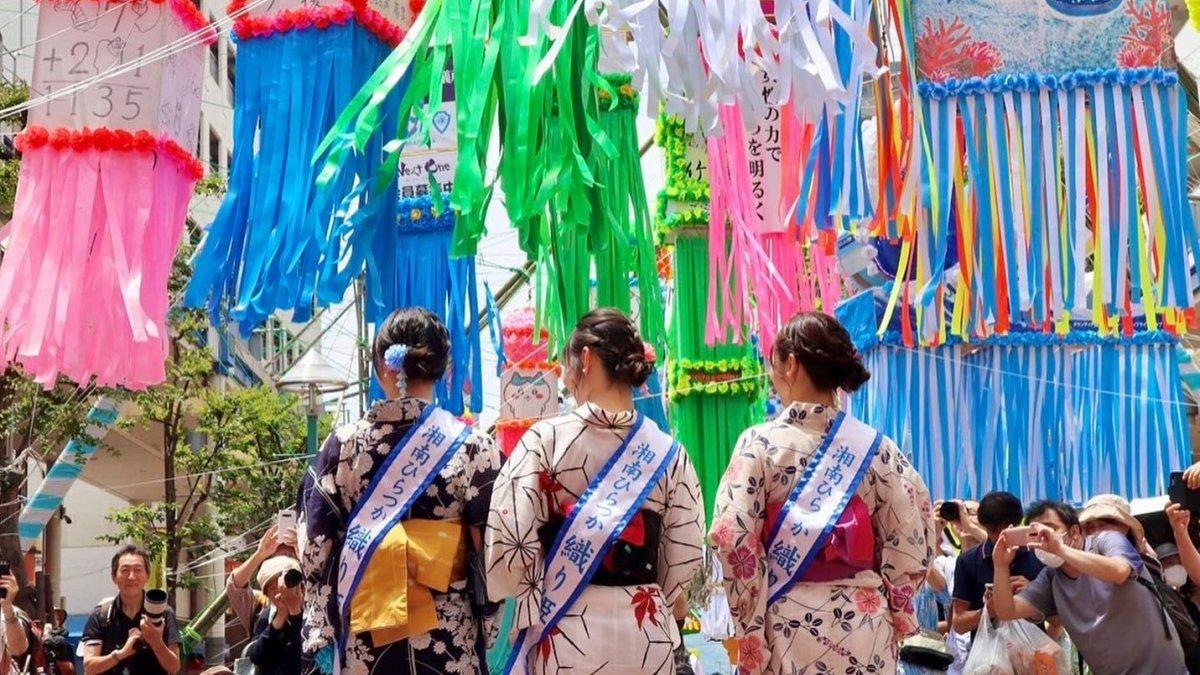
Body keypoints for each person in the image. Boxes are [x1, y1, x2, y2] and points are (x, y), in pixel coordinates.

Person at [709, 311, 935, 674]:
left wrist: (751, 630)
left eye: (774, 364)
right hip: (865, 626)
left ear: (791, 365)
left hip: (787, 626)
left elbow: (732, 535)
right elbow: (913, 538)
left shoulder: (760, 445)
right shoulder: (878, 449)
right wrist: (896, 608)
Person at [486, 308, 705, 673]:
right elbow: (684, 553)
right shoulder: (668, 452)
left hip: (566, 625)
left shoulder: (544, 441)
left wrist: (530, 595)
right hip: (644, 629)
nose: (567, 378)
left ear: (585, 359)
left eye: (567, 365)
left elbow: (509, 541)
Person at [299, 307, 503, 674]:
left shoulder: (343, 447)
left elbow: (316, 546)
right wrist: (487, 620)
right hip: (448, 635)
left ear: (382, 367)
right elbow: (490, 546)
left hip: (366, 635)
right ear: (442, 368)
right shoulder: (473, 446)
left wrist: (323, 628)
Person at [990, 497, 1188, 674]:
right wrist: (1000, 565)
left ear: (1074, 532)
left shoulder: (1106, 540)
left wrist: (1060, 549)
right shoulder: (1051, 578)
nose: (1043, 539)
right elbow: (1007, 610)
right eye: (1035, 533)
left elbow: (1119, 572)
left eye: (1050, 529)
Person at [950, 491, 1043, 634]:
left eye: (1006, 529)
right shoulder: (968, 561)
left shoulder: (1038, 555)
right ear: (985, 526)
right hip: (988, 653)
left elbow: (1058, 620)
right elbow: (958, 624)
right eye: (993, 530)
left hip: (1035, 653)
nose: (1001, 536)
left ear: (1017, 524)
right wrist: (989, 610)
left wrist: (1034, 595)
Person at [81, 545, 181, 675]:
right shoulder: (102, 615)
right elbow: (89, 667)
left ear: (147, 576)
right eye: (125, 570)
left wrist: (156, 641)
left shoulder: (163, 613)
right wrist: (121, 653)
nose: (131, 577)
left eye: (138, 570)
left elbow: (174, 667)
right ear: (114, 577)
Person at [245, 556, 302, 675]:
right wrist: (280, 616)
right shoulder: (268, 615)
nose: (278, 590)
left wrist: (295, 611)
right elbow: (256, 656)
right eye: (271, 587)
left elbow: (304, 657)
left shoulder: (314, 612)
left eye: (281, 583)